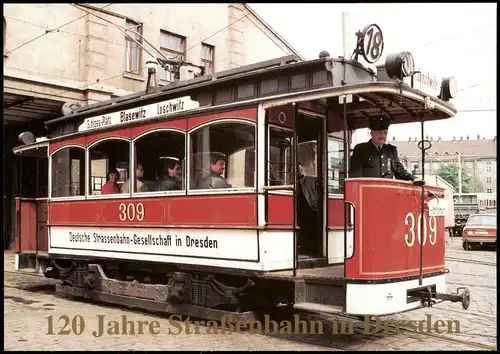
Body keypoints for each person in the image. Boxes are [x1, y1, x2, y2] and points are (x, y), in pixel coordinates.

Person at [348, 117, 416, 181]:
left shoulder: (391, 150)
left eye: (385, 133)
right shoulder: (361, 149)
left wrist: (414, 179)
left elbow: (400, 172)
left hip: (387, 191)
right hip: (369, 191)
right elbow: (355, 175)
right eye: (379, 132)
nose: (382, 136)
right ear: (371, 133)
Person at [296, 162, 319, 256]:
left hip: (310, 210)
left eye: (299, 169)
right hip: (299, 211)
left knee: (309, 230)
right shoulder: (291, 182)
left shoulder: (311, 180)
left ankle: (310, 249)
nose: (297, 171)